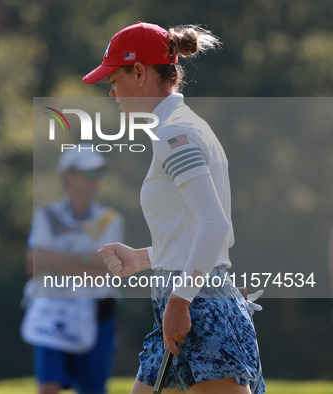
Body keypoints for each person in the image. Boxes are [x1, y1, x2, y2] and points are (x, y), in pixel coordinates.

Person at [83, 22, 266, 393]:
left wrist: (180, 302)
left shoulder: (173, 134)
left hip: (195, 306)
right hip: (185, 301)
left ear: (138, 71)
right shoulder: (181, 127)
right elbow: (200, 230)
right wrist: (142, 258)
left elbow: (215, 225)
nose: (113, 93)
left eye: (113, 80)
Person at [21, 148, 124, 394]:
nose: (95, 178)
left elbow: (102, 270)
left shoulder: (110, 219)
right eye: (89, 172)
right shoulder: (45, 216)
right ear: (68, 176)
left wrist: (54, 260)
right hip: (51, 311)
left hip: (96, 313)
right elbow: (34, 264)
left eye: (100, 172)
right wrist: (86, 258)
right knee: (48, 388)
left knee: (93, 390)